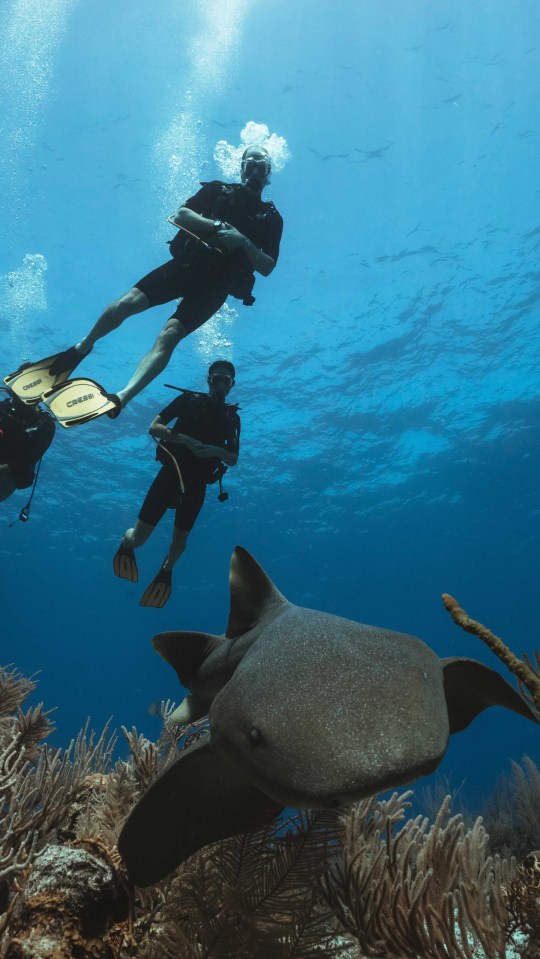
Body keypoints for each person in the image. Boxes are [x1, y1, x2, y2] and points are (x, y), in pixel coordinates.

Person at [9, 146, 282, 423]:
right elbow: (180, 216)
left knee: (169, 335)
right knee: (125, 305)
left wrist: (244, 242)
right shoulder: (218, 190)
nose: (256, 171)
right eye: (250, 165)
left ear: (269, 172)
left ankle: (122, 397)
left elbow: (268, 266)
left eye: (262, 166)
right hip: (187, 266)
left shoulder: (271, 218)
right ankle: (80, 349)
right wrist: (215, 227)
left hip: (215, 287)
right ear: (241, 168)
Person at [113, 360, 240, 608]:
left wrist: (215, 449)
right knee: (139, 538)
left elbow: (233, 458)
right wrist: (186, 441)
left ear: (232, 386)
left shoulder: (232, 418)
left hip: (197, 484)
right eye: (217, 379)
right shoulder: (188, 401)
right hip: (170, 474)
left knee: (179, 542)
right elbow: (154, 427)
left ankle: (166, 569)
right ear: (209, 380)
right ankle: (126, 544)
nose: (221, 385)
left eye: (227, 381)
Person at [0, 389, 55, 504]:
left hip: (10, 474)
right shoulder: (2, 408)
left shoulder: (44, 423)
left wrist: (6, 466)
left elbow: (32, 456)